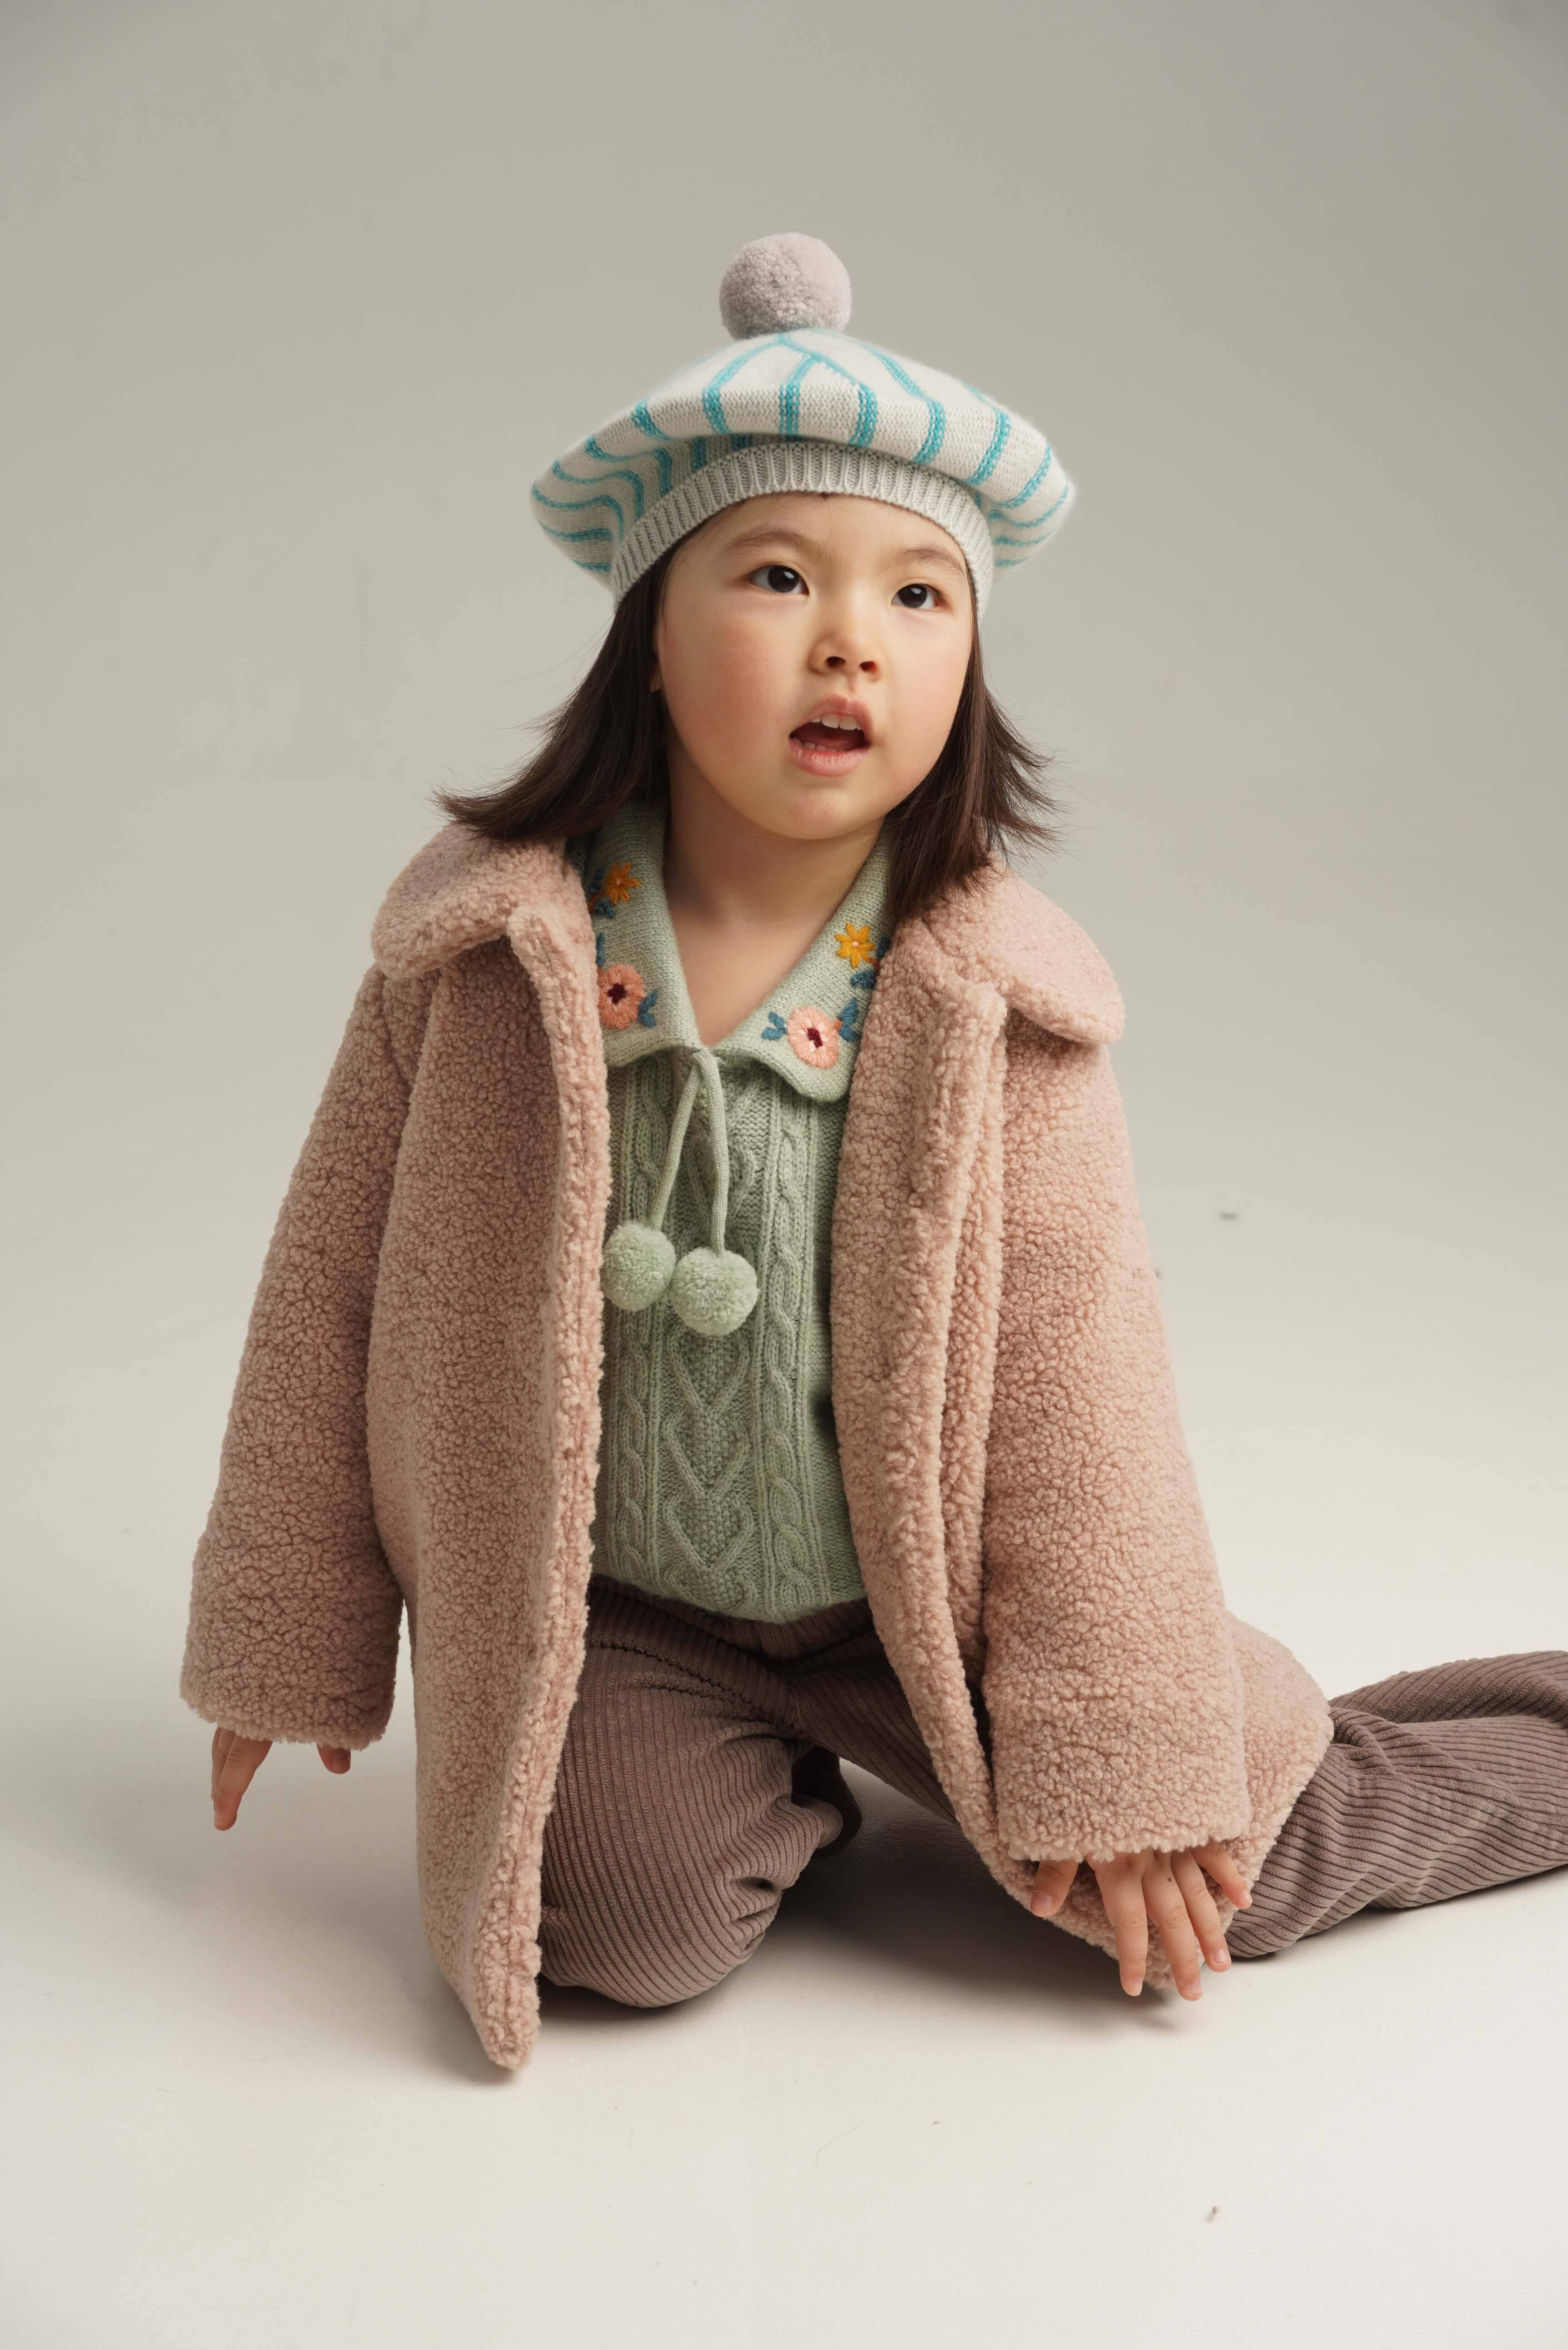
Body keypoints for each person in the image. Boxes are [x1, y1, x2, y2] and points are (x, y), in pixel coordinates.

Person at [181, 232, 1568, 2071]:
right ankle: (776, 1773)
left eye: (920, 596)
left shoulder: (990, 1003)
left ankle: (1504, 1745)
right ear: (652, 635)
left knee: (1233, 1866)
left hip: (942, 1604)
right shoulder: (482, 959)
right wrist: (291, 1630)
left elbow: (1083, 1393)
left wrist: (1122, 1749)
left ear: (966, 661)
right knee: (605, 1921)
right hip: (631, 1613)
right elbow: (334, 1286)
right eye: (777, 574)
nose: (852, 638)